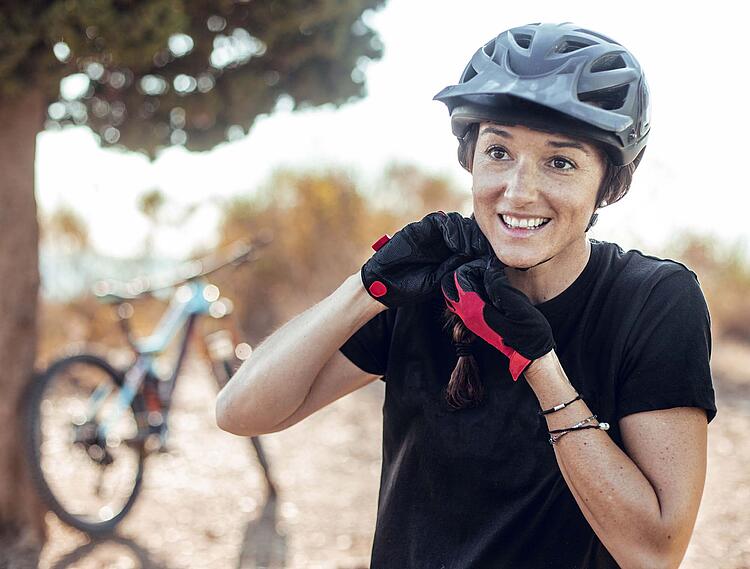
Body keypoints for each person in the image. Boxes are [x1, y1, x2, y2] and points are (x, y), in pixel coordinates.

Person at [216, 22, 716, 568]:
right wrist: (366, 288)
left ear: (610, 182)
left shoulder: (652, 301)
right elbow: (241, 412)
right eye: (498, 151)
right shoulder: (433, 283)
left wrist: (541, 368)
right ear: (470, 158)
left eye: (560, 162)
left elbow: (655, 551)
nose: (519, 191)